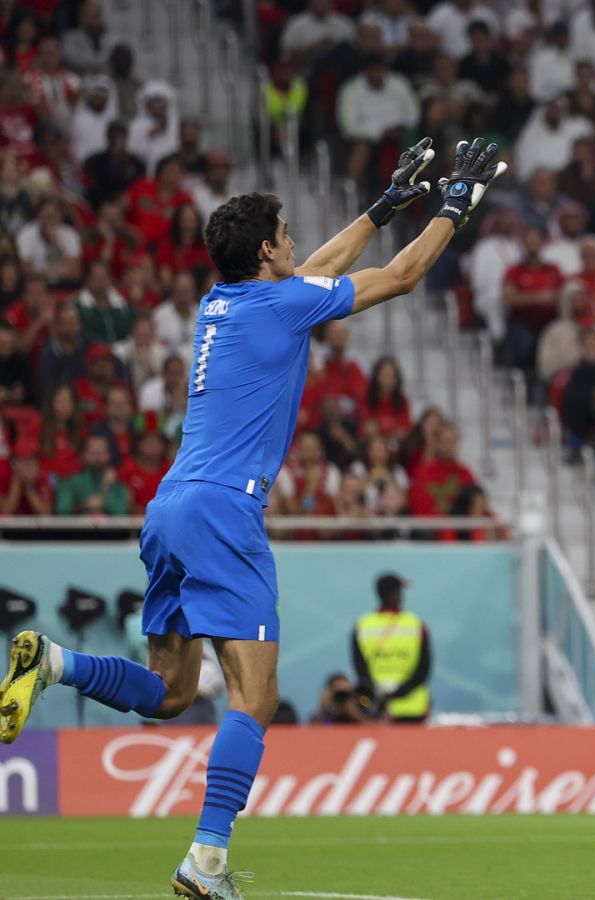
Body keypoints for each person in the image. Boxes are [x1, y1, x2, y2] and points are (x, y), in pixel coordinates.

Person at [0, 136, 506, 900]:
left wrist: (383, 207)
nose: (299, 244)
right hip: (224, 513)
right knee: (255, 698)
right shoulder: (281, 300)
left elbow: (318, 270)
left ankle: (56, 663)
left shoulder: (224, 302)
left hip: (169, 504)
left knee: (172, 694)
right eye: (288, 234)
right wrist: (454, 202)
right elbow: (401, 276)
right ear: (267, 250)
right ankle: (204, 862)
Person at [350, 572, 431, 723]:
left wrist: (378, 695)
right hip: (411, 705)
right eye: (400, 591)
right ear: (395, 594)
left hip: (376, 705)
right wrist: (402, 691)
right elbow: (424, 668)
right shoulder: (416, 624)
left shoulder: (362, 625)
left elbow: (361, 671)